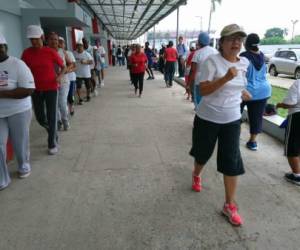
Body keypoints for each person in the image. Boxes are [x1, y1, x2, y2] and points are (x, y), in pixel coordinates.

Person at [189, 24, 251, 226]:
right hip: (208, 118)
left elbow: (237, 86)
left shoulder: (244, 63)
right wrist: (225, 78)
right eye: (232, 39)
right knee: (202, 153)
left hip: (232, 119)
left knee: (231, 161)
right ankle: (197, 174)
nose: (236, 43)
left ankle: (229, 205)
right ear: (222, 42)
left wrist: (242, 93)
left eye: (239, 39)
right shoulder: (211, 62)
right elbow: (203, 91)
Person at [22, 25, 66, 155]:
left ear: (41, 37)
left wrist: (59, 76)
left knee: (52, 115)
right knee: (40, 117)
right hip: (35, 89)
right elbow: (23, 69)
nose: (33, 41)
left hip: (51, 88)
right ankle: (52, 131)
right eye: (31, 39)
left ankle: (52, 143)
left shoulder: (50, 52)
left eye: (35, 39)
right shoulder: (26, 53)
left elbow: (63, 67)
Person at [0, 33, 35, 190]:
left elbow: (28, 89)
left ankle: (23, 165)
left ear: (5, 48)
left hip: (19, 110)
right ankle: (2, 178)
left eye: (0, 47)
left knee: (19, 142)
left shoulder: (17, 64)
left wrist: (3, 94)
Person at [240, 33, 271, 151]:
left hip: (246, 91)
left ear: (246, 44)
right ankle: (253, 142)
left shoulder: (244, 56)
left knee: (235, 112)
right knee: (256, 117)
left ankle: (233, 135)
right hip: (263, 91)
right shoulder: (262, 56)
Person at [276, 80, 300, 185]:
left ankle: (297, 175)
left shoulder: (298, 83)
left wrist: (279, 105)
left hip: (297, 117)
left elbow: (290, 103)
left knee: (292, 147)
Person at [48, 33, 71, 131]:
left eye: (56, 40)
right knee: (54, 105)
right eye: (51, 39)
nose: (54, 42)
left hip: (64, 82)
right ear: (47, 40)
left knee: (62, 103)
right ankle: (58, 122)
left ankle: (65, 120)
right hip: (50, 82)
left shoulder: (62, 52)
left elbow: (71, 64)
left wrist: (65, 70)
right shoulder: (45, 51)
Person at [189, 32, 218, 107]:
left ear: (199, 41)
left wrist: (190, 84)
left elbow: (193, 70)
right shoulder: (215, 52)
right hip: (213, 82)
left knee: (199, 105)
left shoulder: (197, 53)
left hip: (199, 82)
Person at [58, 37, 77, 116]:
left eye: (61, 43)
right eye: (59, 42)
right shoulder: (54, 53)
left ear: (64, 44)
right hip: (60, 80)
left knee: (70, 95)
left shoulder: (69, 53)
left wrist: (67, 71)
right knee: (61, 99)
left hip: (71, 78)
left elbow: (75, 66)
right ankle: (63, 113)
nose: (60, 44)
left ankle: (71, 106)